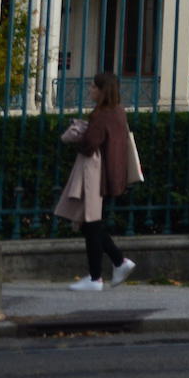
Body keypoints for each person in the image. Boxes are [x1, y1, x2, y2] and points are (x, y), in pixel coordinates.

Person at [54, 72, 142, 291]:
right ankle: (118, 262)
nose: (90, 90)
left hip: (94, 173)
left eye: (93, 87)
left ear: (102, 91)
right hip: (109, 173)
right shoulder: (118, 112)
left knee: (90, 223)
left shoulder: (100, 115)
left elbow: (91, 143)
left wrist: (78, 134)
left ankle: (96, 277)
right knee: (89, 223)